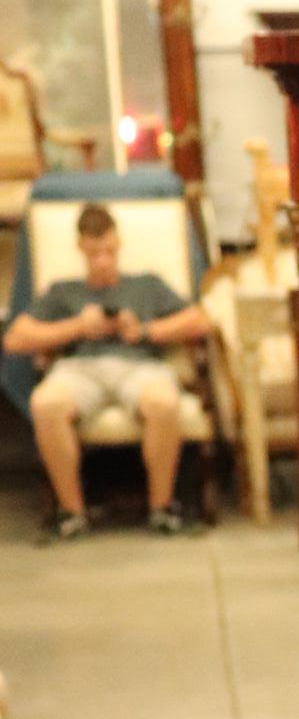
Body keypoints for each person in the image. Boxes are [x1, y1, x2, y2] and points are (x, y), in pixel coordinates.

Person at [3, 200, 210, 540]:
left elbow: (199, 320)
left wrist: (144, 331)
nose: (102, 260)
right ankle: (72, 514)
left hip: (139, 364)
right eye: (94, 253)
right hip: (80, 368)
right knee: (46, 404)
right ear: (81, 248)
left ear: (118, 244)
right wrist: (78, 327)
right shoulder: (63, 291)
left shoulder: (146, 285)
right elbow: (15, 338)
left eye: (109, 251)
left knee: (163, 402)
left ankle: (163, 508)